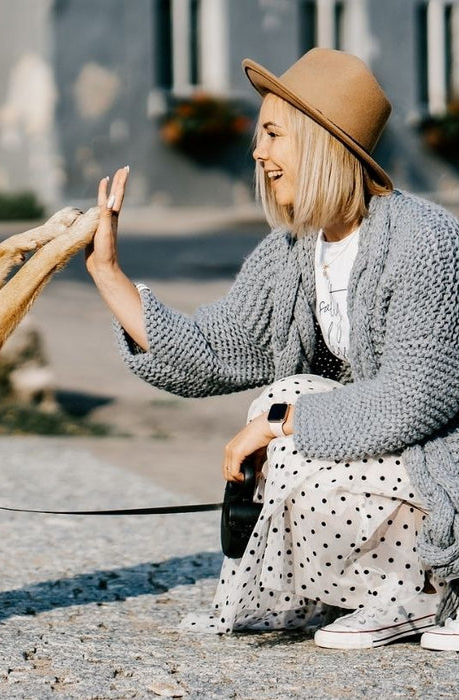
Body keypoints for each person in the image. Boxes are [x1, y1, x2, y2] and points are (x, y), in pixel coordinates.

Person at [84, 47, 459, 651]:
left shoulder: (424, 239)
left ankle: (433, 587)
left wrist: (281, 425)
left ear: (317, 141)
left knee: (285, 408)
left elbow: (415, 398)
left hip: (446, 458)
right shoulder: (295, 251)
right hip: (399, 460)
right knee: (284, 398)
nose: (258, 152)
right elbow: (210, 351)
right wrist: (107, 273)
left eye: (273, 134)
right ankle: (391, 594)